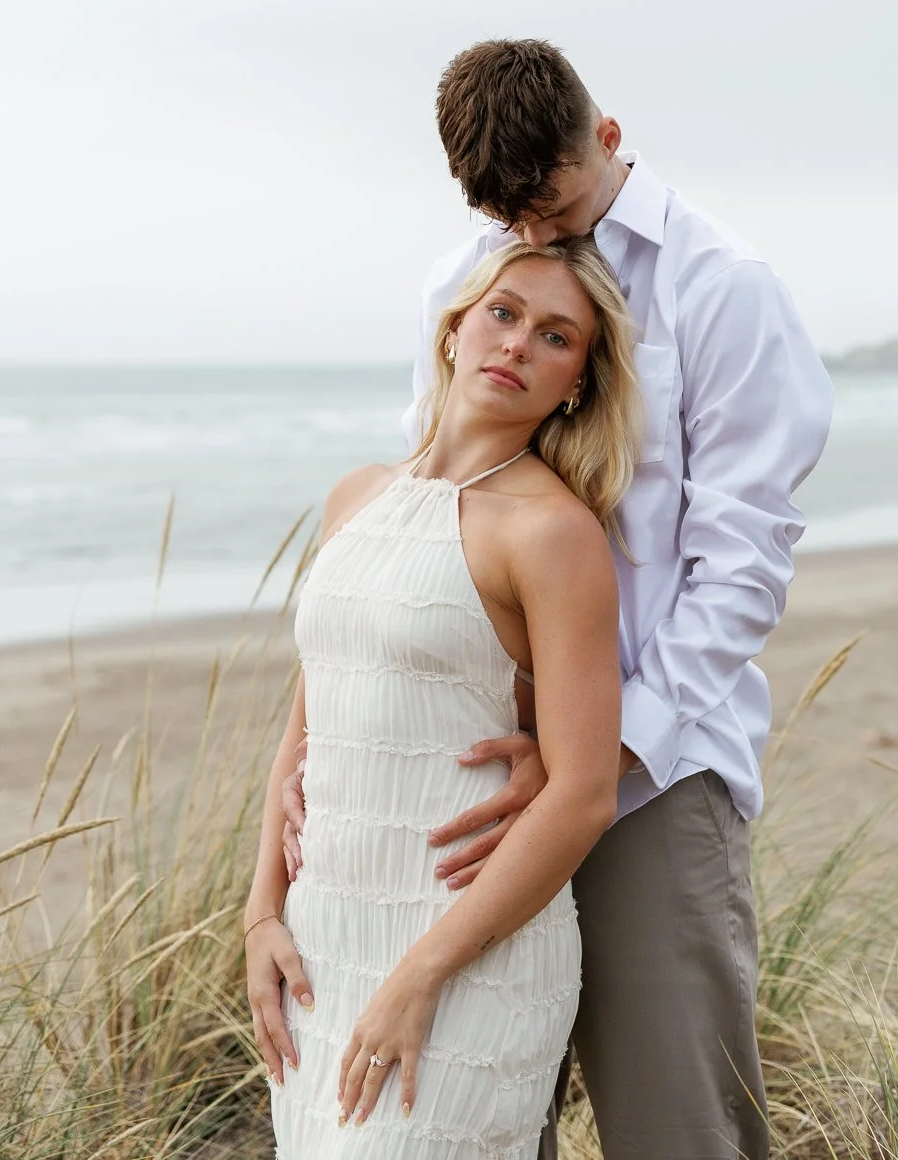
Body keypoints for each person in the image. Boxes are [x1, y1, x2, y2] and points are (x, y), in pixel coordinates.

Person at [285, 39, 835, 1159]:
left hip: (653, 775)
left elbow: (742, 560)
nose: (534, 239)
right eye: (507, 219)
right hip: (474, 766)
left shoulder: (721, 285)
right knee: (470, 1115)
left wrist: (607, 754)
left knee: (675, 1124)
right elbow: (433, 510)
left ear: (610, 138)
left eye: (552, 204)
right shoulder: (469, 279)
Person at [243, 235, 645, 1156]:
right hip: (327, 937)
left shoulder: (553, 534)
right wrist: (262, 912)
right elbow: (306, 732)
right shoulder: (356, 496)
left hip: (464, 950)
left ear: (577, 382)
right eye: (503, 314)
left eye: (556, 336)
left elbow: (583, 794)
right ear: (456, 330)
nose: (517, 344)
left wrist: (422, 974)